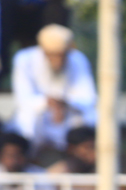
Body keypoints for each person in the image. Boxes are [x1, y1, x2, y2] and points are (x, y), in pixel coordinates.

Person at [10, 23, 96, 155]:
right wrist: (48, 103)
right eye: (53, 55)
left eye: (62, 55)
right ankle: (29, 156)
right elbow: (23, 99)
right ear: (43, 51)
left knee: (94, 115)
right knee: (26, 118)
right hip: (38, 116)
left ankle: (79, 155)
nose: (58, 61)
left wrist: (64, 103)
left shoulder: (77, 59)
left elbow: (88, 98)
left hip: (68, 116)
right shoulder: (24, 59)